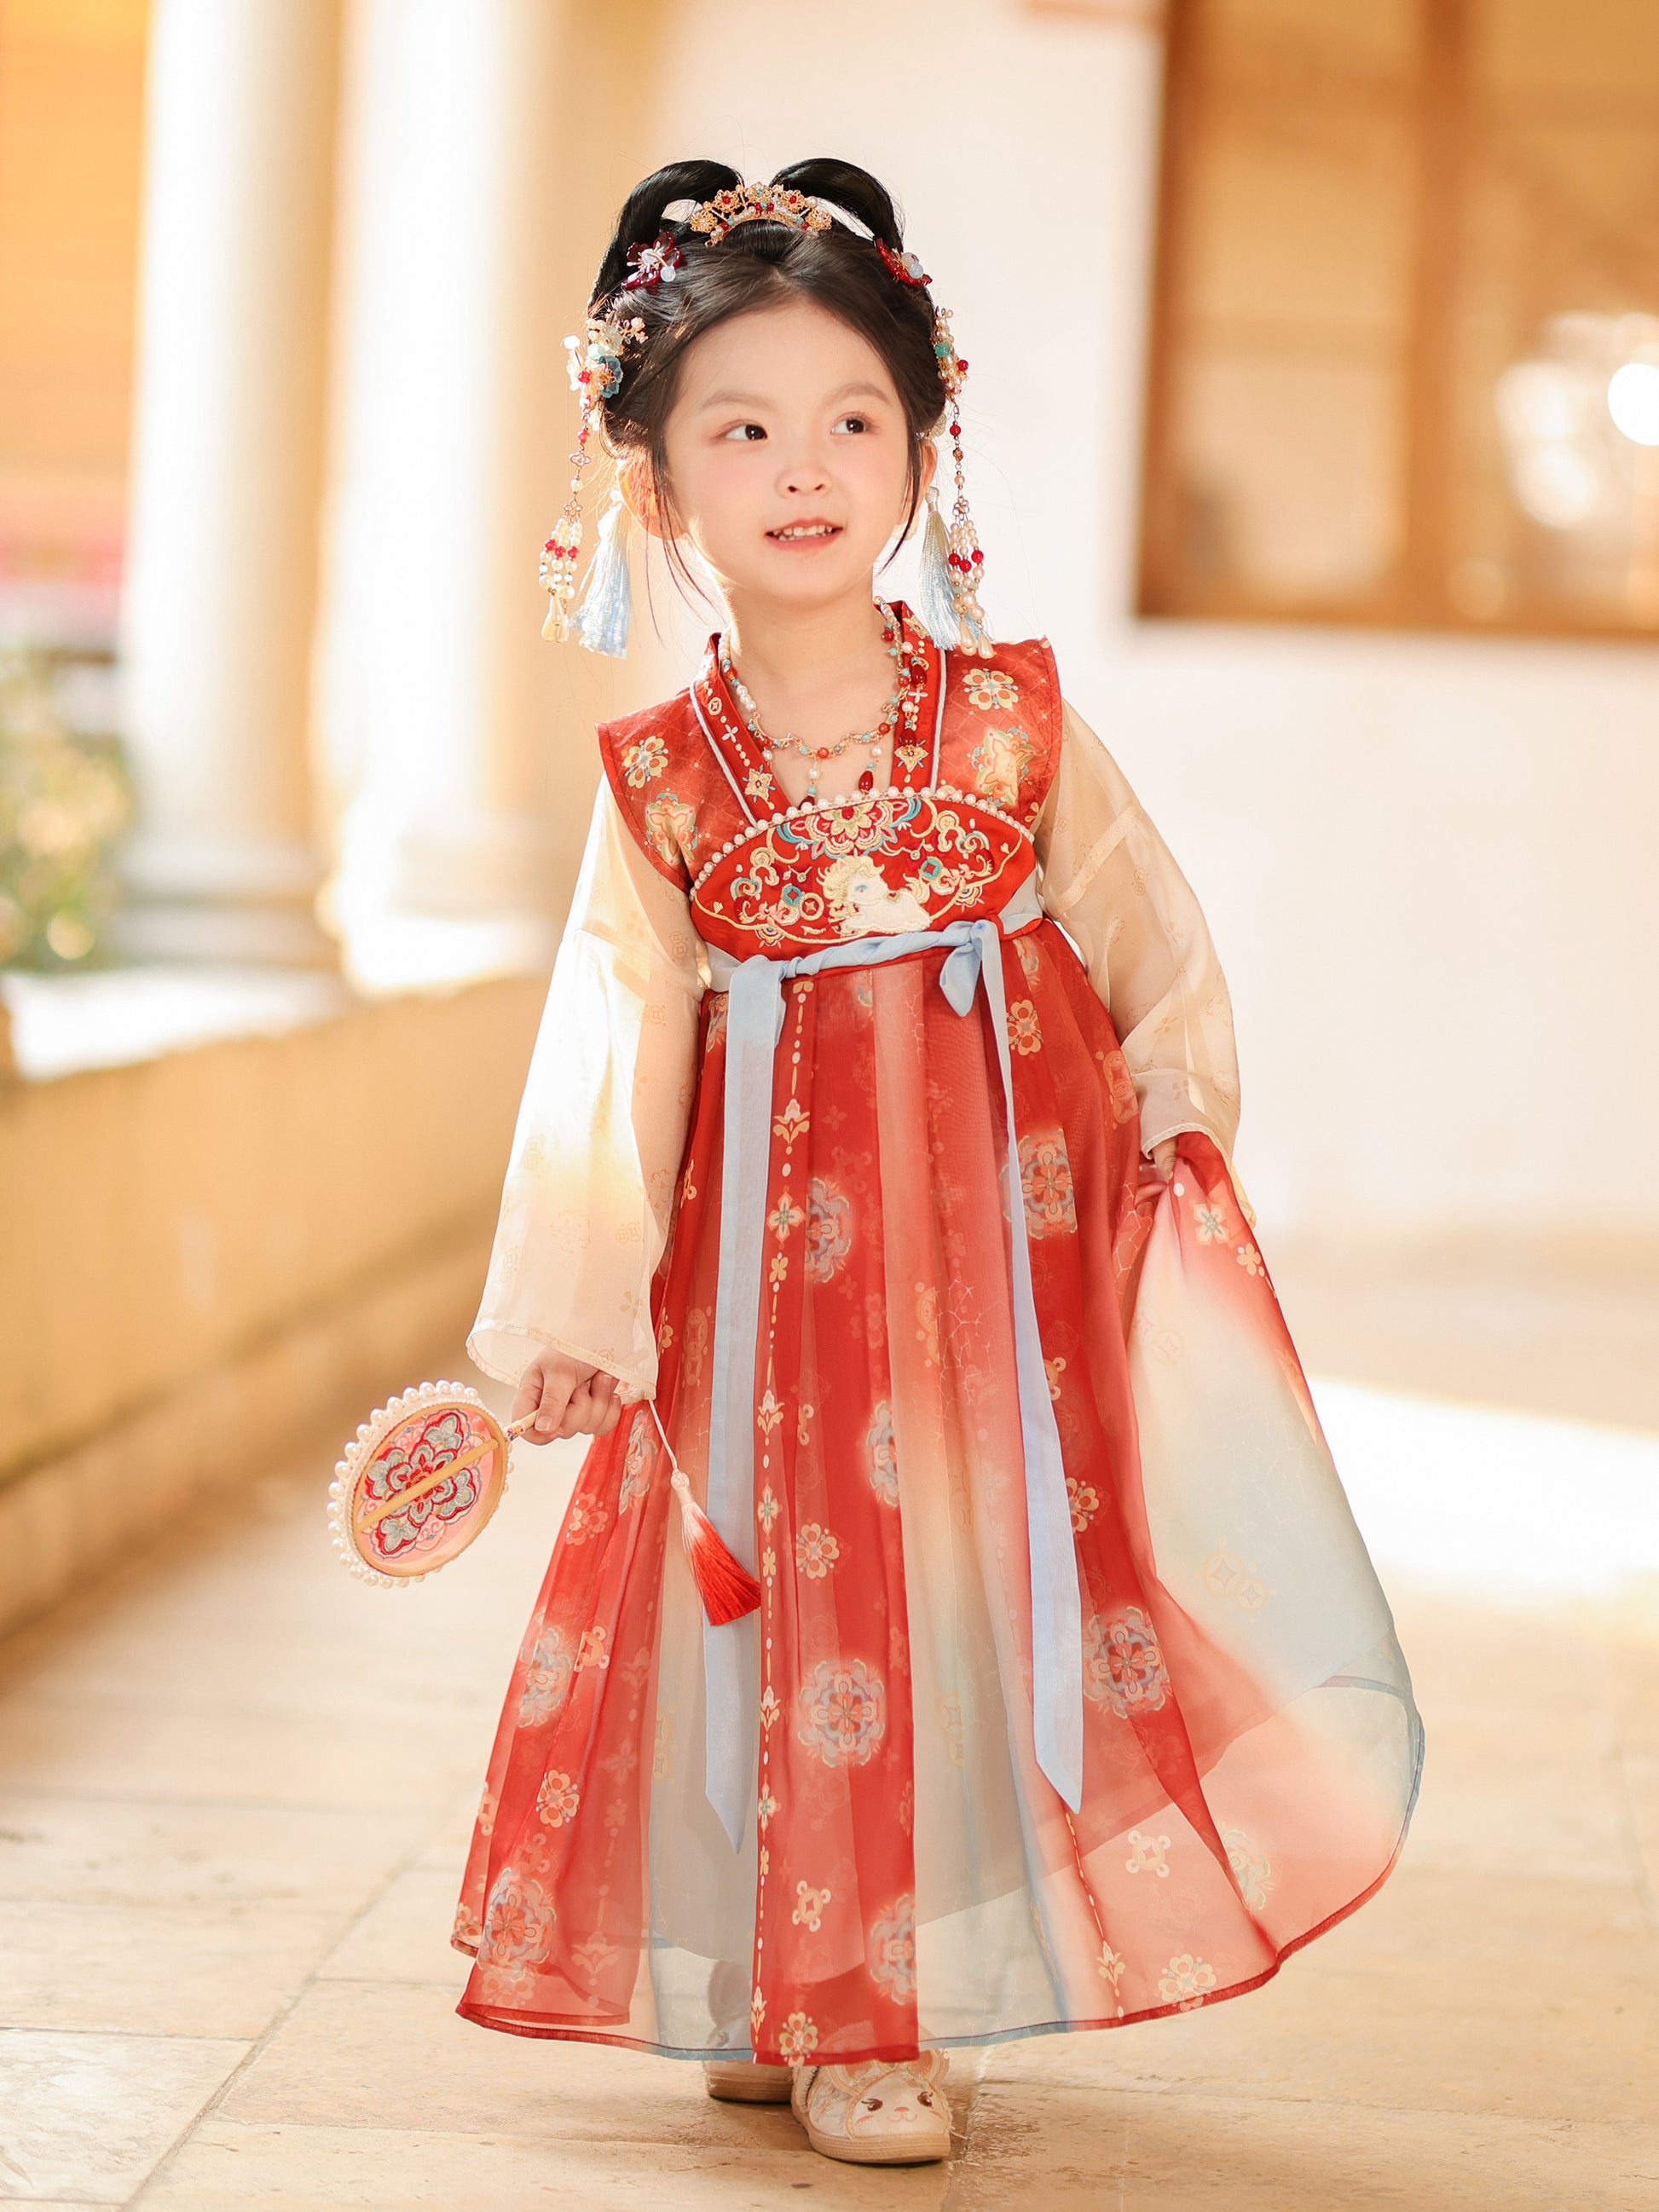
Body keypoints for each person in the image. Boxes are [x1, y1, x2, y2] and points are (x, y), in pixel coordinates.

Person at [453, 156, 1422, 2170]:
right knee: (768, 1618)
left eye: (851, 422)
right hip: (757, 1304)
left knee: (967, 1609)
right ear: (652, 474)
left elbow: (1158, 955)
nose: (801, 468)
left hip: (999, 1280)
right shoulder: (662, 779)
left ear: (918, 449)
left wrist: (1173, 1135)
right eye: (741, 426)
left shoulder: (1013, 725)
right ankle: (782, 1971)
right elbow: (610, 1045)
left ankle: (884, 1999)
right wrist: (569, 1309)